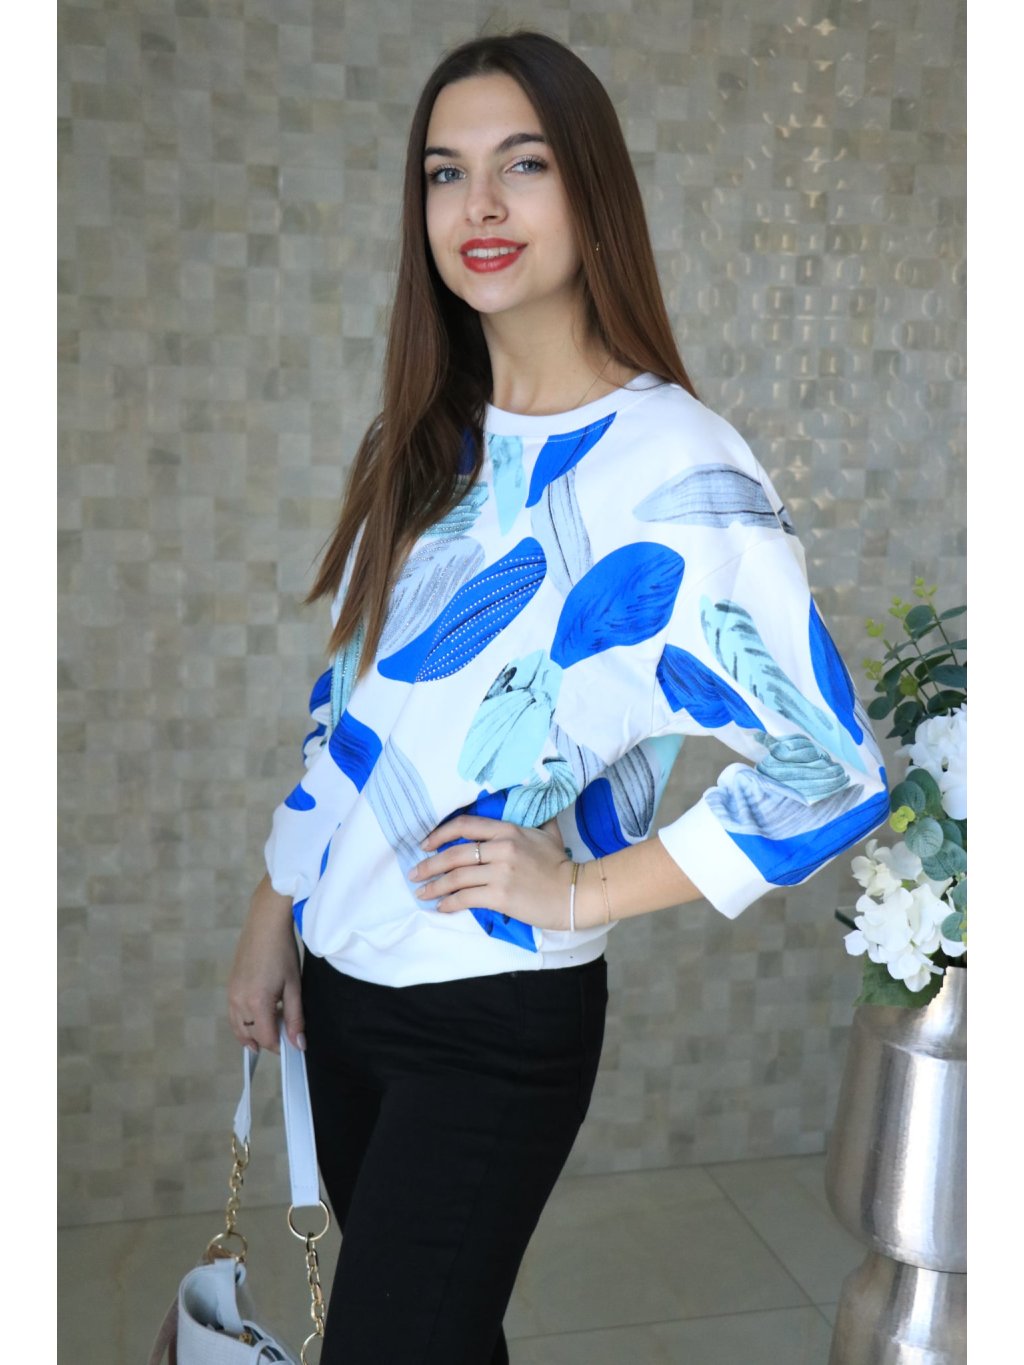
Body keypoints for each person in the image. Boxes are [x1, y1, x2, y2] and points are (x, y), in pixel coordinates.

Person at [228, 29, 888, 1365]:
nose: (478, 204)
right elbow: (351, 707)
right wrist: (272, 913)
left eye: (521, 165)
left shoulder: (678, 466)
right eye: (445, 172)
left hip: (490, 1017)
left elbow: (833, 769)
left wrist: (583, 891)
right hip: (344, 988)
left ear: (592, 190)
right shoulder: (425, 438)